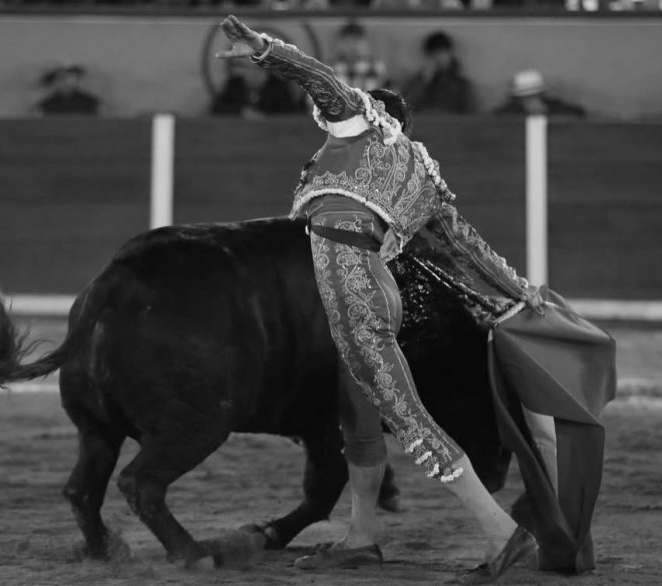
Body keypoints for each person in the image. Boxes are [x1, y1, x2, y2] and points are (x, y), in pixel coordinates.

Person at [216, 15, 540, 584]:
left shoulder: (358, 126)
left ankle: (503, 536)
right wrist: (523, 294)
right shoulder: (421, 171)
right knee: (359, 414)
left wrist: (264, 49)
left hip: (354, 289)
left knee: (409, 420)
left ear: (373, 113)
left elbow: (317, 76)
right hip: (374, 284)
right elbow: (470, 249)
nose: (328, 115)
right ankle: (362, 538)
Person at [402, 31, 475, 114]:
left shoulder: (461, 86)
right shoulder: (417, 82)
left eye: (442, 53)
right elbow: (407, 107)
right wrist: (425, 79)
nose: (438, 59)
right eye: (434, 54)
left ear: (450, 55)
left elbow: (470, 114)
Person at [211, 57, 303, 118]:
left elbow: (290, 113)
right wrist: (242, 112)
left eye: (257, 70)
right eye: (248, 69)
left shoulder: (278, 86)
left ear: (267, 71)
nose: (253, 74)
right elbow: (217, 108)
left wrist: (266, 117)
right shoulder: (234, 84)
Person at [494, 69, 586, 118]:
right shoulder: (510, 110)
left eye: (535, 96)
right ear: (519, 99)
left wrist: (545, 112)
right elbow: (497, 117)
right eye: (526, 97)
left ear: (541, 95)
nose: (531, 100)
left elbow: (577, 113)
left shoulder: (554, 105)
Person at [331, 21, 391, 92]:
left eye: (357, 41)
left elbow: (388, 93)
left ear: (365, 43)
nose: (352, 46)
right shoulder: (333, 68)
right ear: (340, 44)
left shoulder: (376, 67)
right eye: (347, 41)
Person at [36, 62, 101, 117]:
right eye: (60, 78)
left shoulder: (90, 102)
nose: (65, 81)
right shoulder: (46, 104)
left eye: (68, 77)